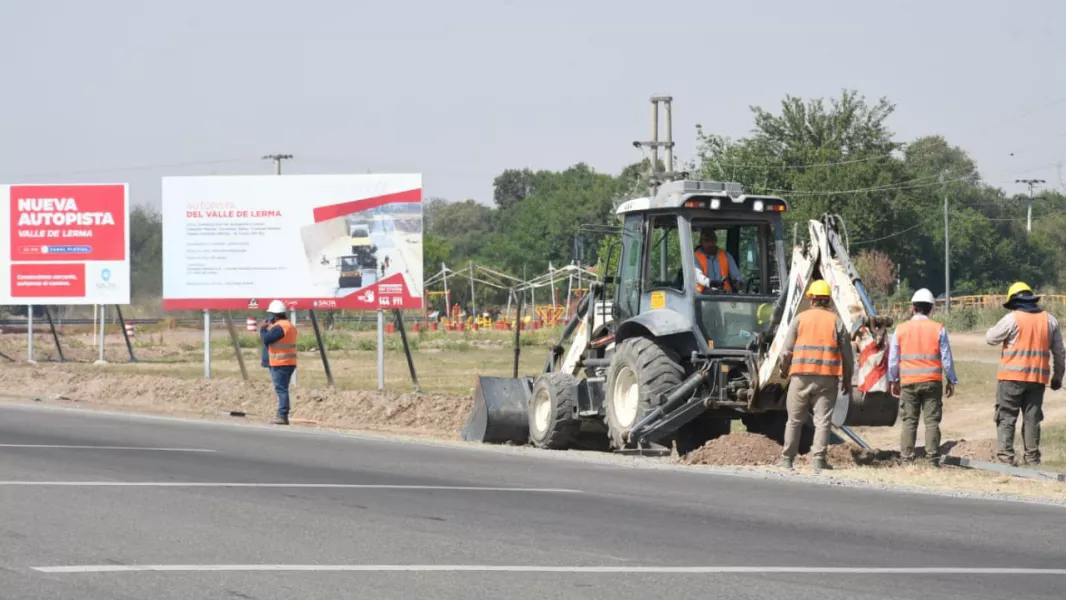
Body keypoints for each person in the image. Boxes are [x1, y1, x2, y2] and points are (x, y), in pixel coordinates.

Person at [777, 279, 854, 472]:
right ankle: (818, 461)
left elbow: (786, 351)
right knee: (822, 421)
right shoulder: (836, 321)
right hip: (827, 379)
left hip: (800, 378)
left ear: (810, 298)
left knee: (794, 420)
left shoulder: (800, 319)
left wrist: (784, 371)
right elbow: (847, 355)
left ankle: (787, 460)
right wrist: (847, 378)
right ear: (828, 300)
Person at [985, 282, 1064, 465]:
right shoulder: (1049, 320)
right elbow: (1060, 352)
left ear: (1014, 301)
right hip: (1037, 381)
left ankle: (1006, 459)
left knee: (1006, 417)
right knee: (1032, 420)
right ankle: (1032, 459)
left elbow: (990, 339)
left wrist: (991, 329)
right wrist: (1058, 377)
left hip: (1011, 379)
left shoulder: (1012, 319)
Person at [888, 288, 958, 466]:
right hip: (932, 383)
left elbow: (893, 359)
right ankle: (932, 459)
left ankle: (906, 459)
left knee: (909, 422)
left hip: (908, 383)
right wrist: (951, 380)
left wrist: (893, 379)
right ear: (931, 309)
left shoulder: (901, 329)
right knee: (932, 421)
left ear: (913, 307)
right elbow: (946, 358)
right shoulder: (938, 329)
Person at [260, 299, 298, 425]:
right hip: (289, 362)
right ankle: (282, 414)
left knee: (281, 389)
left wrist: (263, 328)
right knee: (283, 389)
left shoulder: (279, 327)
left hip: (280, 362)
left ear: (274, 314)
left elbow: (266, 339)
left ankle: (282, 415)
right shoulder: (289, 325)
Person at [694, 229, 740, 293]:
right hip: (702, 297)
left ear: (716, 241)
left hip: (725, 296)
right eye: (706, 240)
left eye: (712, 240)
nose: (710, 243)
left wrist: (738, 283)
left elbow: (736, 275)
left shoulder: (726, 255)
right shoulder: (695, 257)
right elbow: (698, 276)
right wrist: (710, 283)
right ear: (701, 242)